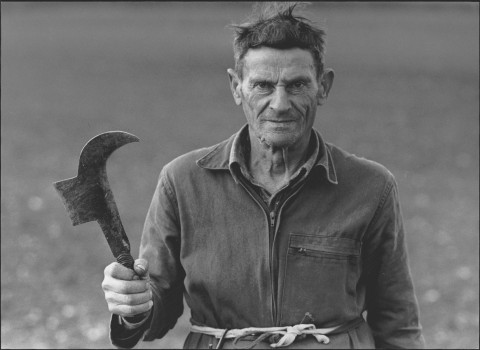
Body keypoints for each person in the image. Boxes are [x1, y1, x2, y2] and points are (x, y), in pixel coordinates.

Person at [101, 3, 425, 349]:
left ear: (323, 86)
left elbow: (397, 323)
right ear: (236, 87)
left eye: (297, 85)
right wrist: (133, 305)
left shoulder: (370, 187)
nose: (280, 103)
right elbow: (157, 310)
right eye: (263, 86)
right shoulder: (182, 182)